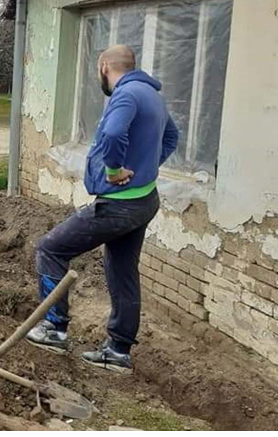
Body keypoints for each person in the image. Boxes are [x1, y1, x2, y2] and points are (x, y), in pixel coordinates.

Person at [25, 45, 179, 374]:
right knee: (123, 272)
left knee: (50, 249)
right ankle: (119, 351)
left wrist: (114, 170)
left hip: (118, 205)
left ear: (104, 66)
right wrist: (145, 167)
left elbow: (112, 133)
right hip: (144, 201)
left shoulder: (126, 95)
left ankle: (53, 328)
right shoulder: (154, 96)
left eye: (100, 71)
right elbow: (171, 138)